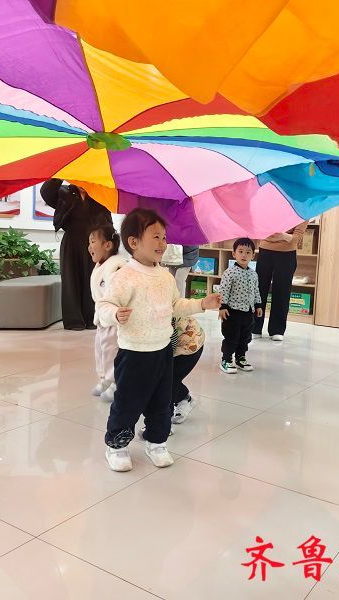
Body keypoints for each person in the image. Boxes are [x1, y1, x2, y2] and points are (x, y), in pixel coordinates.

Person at [96, 208, 221, 472]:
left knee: (162, 402)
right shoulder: (125, 276)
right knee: (127, 402)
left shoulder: (165, 276)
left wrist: (201, 304)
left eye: (164, 237)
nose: (163, 243)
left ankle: (157, 442)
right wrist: (115, 314)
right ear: (133, 242)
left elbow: (175, 306)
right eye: (155, 237)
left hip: (163, 350)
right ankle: (116, 445)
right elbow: (103, 306)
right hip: (134, 353)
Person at [40, 178, 112, 330]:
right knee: (70, 280)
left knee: (93, 279)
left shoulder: (99, 195)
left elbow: (108, 222)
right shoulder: (65, 193)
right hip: (71, 242)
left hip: (95, 244)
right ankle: (74, 321)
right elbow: (46, 192)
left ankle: (91, 319)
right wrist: (61, 174)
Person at [88, 223, 127, 402]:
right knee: (100, 349)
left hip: (112, 317)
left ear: (108, 245)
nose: (89, 247)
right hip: (101, 317)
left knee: (112, 350)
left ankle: (115, 382)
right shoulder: (99, 265)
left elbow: (119, 293)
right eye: (89, 243)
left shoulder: (116, 265)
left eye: (93, 241)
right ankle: (104, 378)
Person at [252, 221, 309, 341]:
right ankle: (255, 328)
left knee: (282, 291)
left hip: (287, 254)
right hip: (265, 250)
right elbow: (259, 228)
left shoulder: (302, 211)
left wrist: (282, 236)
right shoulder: (270, 209)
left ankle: (277, 330)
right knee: (259, 290)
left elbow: (296, 238)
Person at [218, 238, 262, 373]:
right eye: (240, 251)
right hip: (232, 312)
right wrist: (222, 307)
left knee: (245, 337)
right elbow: (223, 290)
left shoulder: (253, 274)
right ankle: (226, 359)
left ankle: (240, 358)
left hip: (248, 313)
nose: (244, 255)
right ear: (234, 254)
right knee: (231, 337)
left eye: (248, 252)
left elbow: (256, 290)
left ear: (253, 255)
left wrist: (258, 305)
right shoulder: (230, 272)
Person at [170, 315, 205, 424]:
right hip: (175, 344)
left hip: (189, 347)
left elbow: (170, 340)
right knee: (163, 380)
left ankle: (162, 424)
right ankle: (183, 398)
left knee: (167, 382)